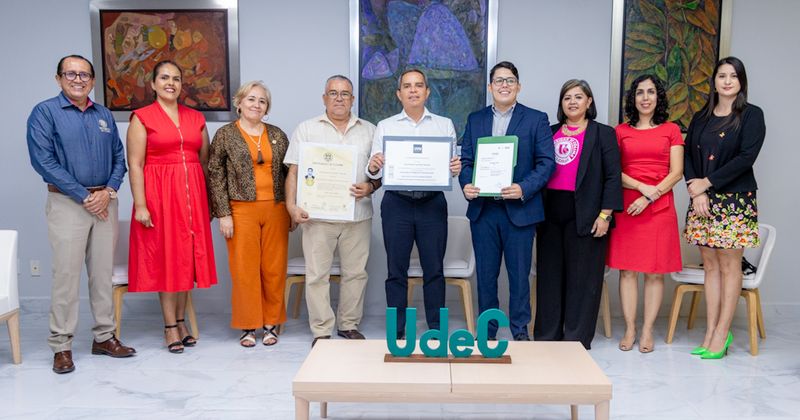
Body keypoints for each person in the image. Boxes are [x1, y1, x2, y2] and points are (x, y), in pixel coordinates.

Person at [27, 54, 136, 374]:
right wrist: (83, 196)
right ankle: (61, 345)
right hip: (67, 204)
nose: (78, 79)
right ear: (58, 78)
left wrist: (108, 191)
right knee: (66, 276)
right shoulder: (45, 112)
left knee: (102, 274)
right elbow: (42, 161)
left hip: (105, 201)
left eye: (84, 74)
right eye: (71, 74)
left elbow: (119, 158)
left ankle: (104, 337)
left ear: (92, 80)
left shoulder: (103, 114)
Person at [127, 60, 218, 354]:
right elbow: (136, 164)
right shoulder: (141, 118)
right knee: (167, 262)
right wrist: (140, 204)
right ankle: (169, 327)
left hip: (192, 200)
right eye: (164, 78)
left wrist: (208, 202)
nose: (171, 83)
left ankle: (180, 321)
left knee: (185, 261)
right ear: (152, 84)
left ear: (181, 84)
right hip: (159, 198)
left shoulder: (195, 118)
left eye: (176, 78)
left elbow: (204, 163)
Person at [460, 61, 555, 341]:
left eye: (510, 80)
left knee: (518, 277)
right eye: (499, 80)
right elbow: (466, 161)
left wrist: (523, 188)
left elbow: (546, 163)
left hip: (520, 211)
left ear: (518, 86)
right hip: (484, 211)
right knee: (486, 277)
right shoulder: (475, 119)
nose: (504, 85)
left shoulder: (536, 118)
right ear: (490, 87)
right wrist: (466, 184)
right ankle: (487, 331)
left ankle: (519, 331)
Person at [284, 75, 379, 347]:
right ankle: (322, 330)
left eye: (345, 94)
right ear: (324, 98)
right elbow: (294, 171)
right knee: (316, 276)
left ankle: (348, 325)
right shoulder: (306, 129)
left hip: (357, 215)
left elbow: (381, 173)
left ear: (353, 99)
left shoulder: (370, 131)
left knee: (356, 274)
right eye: (333, 93)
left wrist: (370, 186)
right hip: (317, 217)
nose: (339, 98)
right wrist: (291, 207)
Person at [367, 69, 461, 338]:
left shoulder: (444, 124)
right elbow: (374, 170)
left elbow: (450, 166)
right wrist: (373, 166)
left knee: (434, 269)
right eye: (407, 86)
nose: (413, 90)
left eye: (419, 85)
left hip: (432, 204)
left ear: (427, 92)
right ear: (399, 94)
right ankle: (397, 332)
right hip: (397, 203)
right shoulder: (386, 126)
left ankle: (436, 329)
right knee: (396, 270)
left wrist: (454, 167)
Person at [683, 57, 765, 359]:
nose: (727, 81)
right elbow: (688, 156)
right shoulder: (701, 117)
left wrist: (707, 183)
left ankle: (722, 332)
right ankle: (710, 331)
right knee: (711, 266)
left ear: (741, 81)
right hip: (701, 200)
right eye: (722, 75)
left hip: (735, 200)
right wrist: (696, 189)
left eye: (733, 76)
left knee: (730, 266)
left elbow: (746, 158)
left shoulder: (752, 115)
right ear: (714, 81)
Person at [533, 79, 622, 349]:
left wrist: (605, 215)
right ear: (561, 104)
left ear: (589, 102)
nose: (572, 102)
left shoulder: (603, 134)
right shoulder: (548, 132)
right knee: (549, 276)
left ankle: (575, 338)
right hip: (549, 212)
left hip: (587, 213)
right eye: (567, 97)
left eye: (578, 97)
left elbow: (612, 177)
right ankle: (547, 335)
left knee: (582, 279)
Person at [208, 81, 290, 347]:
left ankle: (271, 324)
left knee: (274, 269)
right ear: (239, 102)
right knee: (245, 270)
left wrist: (291, 208)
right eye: (251, 99)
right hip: (240, 209)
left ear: (267, 107)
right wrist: (223, 213)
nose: (256, 105)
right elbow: (215, 174)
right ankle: (248, 325)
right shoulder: (225, 134)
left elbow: (290, 174)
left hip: (276, 209)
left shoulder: (278, 134)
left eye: (262, 101)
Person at [607, 74, 684, 353]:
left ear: (658, 97)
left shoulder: (671, 130)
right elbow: (614, 171)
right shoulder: (620, 131)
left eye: (651, 92)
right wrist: (641, 189)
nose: (646, 97)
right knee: (626, 272)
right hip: (628, 205)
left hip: (659, 207)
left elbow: (677, 172)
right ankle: (629, 328)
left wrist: (651, 195)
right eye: (640, 92)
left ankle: (648, 330)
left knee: (654, 273)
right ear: (633, 98)